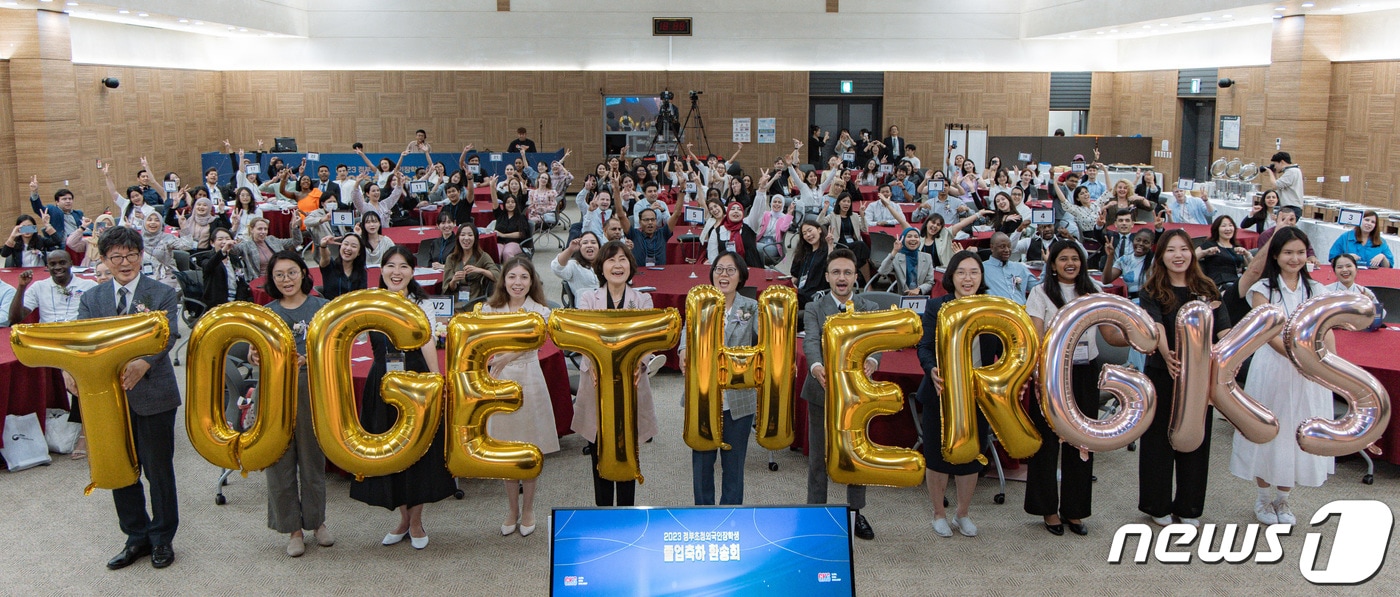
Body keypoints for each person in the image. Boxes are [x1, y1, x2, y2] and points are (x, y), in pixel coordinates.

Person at [77, 226, 181, 569]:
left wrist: (143, 362)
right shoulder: (92, 299)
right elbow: (84, 343)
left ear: (141, 256)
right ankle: (136, 536)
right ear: (104, 259)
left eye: (131, 255)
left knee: (158, 470)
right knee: (121, 469)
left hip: (153, 393)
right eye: (116, 256)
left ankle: (162, 538)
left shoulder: (161, 293)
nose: (125, 262)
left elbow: (167, 334)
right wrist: (71, 370)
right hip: (109, 399)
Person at [350, 247, 455, 549]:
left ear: (413, 271)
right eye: (390, 266)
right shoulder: (370, 301)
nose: (396, 272)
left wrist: (437, 381)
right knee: (390, 450)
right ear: (381, 269)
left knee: (421, 449)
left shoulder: (422, 303)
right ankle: (402, 518)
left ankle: (417, 520)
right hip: (381, 380)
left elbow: (427, 344)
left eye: (403, 267)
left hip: (416, 379)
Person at [1024, 240, 1128, 536]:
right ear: (1052, 264)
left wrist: (1138, 337)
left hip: (1085, 371)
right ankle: (1048, 509)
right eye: (1063, 259)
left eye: (1075, 258)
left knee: (1083, 441)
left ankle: (1075, 510)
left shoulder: (1094, 290)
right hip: (1052, 374)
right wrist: (1038, 377)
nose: (1070, 263)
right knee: (1046, 442)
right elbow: (1037, 337)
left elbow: (1108, 332)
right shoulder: (1040, 292)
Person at [1231, 226, 1334, 524]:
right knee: (1270, 428)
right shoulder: (1263, 289)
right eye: (1288, 252)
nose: (1295, 258)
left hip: (1309, 373)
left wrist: (1330, 367)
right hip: (1273, 369)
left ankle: (1284, 500)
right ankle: (1263, 499)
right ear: (1275, 254)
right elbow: (1266, 332)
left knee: (1297, 430)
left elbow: (1325, 332)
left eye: (1300, 252)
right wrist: (1297, 356)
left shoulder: (1317, 290)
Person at [1138, 229, 1229, 528]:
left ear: (1192, 252)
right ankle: (1157, 503)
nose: (1179, 255)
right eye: (1171, 250)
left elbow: (1223, 331)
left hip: (1200, 377)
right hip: (1165, 371)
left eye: (1184, 249)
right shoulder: (1151, 289)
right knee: (1158, 440)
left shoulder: (1207, 287)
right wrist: (1167, 356)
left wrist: (1227, 359)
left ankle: (1189, 507)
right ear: (1161, 256)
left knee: (1196, 440)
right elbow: (1155, 327)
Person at [249, 252, 333, 557]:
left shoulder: (321, 308)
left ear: (303, 273)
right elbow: (252, 350)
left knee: (312, 462)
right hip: (275, 397)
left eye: (292, 272)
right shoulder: (267, 312)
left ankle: (317, 522)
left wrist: (309, 359)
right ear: (272, 280)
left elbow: (335, 351)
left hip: (311, 393)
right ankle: (292, 529)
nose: (286, 280)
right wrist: (253, 355)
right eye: (279, 275)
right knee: (279, 463)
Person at [571, 242, 660, 507]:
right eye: (611, 260)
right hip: (596, 384)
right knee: (599, 449)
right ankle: (602, 511)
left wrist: (641, 363)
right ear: (601, 267)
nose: (617, 265)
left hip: (630, 386)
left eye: (622, 260)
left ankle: (626, 511)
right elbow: (582, 339)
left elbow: (648, 340)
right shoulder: (588, 299)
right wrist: (593, 365)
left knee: (627, 450)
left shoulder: (642, 300)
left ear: (630, 266)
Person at [916, 251, 997, 537]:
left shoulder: (992, 308)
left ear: (981, 277)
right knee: (937, 455)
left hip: (977, 394)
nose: (968, 278)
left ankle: (962, 513)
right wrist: (931, 369)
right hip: (941, 393)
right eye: (961, 272)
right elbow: (924, 346)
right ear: (951, 276)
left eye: (974, 272)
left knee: (972, 455)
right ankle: (938, 513)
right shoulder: (936, 307)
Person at [801, 248, 878, 541]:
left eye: (847, 272)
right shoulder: (815, 307)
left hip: (857, 396)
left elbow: (876, 344)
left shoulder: (868, 307)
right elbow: (810, 341)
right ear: (828, 276)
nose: (842, 278)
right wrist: (817, 366)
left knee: (856, 456)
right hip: (822, 393)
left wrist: (873, 360)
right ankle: (815, 514)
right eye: (836, 272)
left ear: (855, 277)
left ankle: (855, 513)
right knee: (818, 458)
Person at [482, 256, 558, 537]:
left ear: (532, 281)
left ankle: (528, 508)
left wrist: (508, 355)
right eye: (512, 277)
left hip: (529, 379)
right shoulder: (489, 310)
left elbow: (536, 341)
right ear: (504, 280)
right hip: (498, 382)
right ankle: (511, 508)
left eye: (523, 277)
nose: (517, 283)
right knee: (505, 448)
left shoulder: (540, 311)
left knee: (529, 448)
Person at [678, 252, 759, 506]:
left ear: (741, 276)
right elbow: (686, 331)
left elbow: (765, 342)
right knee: (702, 464)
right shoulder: (699, 302)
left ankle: (731, 517)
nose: (723, 275)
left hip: (738, 398)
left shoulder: (751, 307)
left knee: (733, 465)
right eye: (719, 269)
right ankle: (703, 515)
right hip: (702, 396)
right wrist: (682, 350)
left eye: (730, 270)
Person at [9, 250, 98, 457]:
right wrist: (21, 288)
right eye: (52, 264)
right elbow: (15, 318)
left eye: (62, 263)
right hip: (48, 345)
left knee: (81, 370)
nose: (57, 267)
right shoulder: (39, 287)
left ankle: (84, 434)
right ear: (46, 266)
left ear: (70, 263)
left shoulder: (89, 286)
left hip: (78, 343)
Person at [442, 223, 500, 309]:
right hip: (455, 303)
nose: (466, 238)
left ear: (475, 238)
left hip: (475, 302)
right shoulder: (451, 258)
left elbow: (498, 276)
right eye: (462, 235)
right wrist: (454, 280)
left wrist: (480, 270)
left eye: (470, 235)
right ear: (458, 238)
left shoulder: (482, 256)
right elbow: (447, 288)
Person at [199, 228, 253, 312]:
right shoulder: (207, 258)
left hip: (236, 302)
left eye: (228, 239)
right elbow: (209, 266)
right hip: (217, 305)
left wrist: (239, 303)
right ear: (212, 243)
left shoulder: (234, 259)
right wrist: (223, 251)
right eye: (220, 239)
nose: (224, 242)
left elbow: (241, 282)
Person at [233, 217, 303, 281]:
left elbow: (296, 241)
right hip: (259, 280)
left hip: (280, 277)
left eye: (265, 229)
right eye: (259, 229)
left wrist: (295, 228)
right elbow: (231, 250)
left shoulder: (272, 240)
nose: (263, 232)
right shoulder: (246, 245)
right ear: (251, 230)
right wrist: (234, 229)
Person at [876, 227, 936, 295]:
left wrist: (919, 290)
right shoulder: (897, 257)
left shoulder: (927, 257)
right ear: (903, 239)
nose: (913, 239)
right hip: (902, 296)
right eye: (909, 236)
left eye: (916, 237)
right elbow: (882, 271)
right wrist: (894, 251)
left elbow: (930, 282)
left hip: (921, 296)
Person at [1196, 215, 1251, 288]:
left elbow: (1253, 267)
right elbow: (1190, 258)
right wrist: (1205, 252)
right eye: (1224, 226)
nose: (1228, 229)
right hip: (1219, 283)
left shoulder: (1237, 247)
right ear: (1217, 229)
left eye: (1230, 225)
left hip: (1237, 282)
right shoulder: (1210, 244)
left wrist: (1247, 254)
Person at [982, 232, 1035, 304]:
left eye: (1009, 246)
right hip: (997, 312)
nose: (1007, 250)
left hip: (1021, 312)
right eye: (1002, 246)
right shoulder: (982, 268)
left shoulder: (1020, 267)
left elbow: (1038, 288)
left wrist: (1049, 265)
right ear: (992, 248)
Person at [1329, 210, 1393, 268]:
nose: (1369, 224)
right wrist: (1346, 258)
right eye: (1366, 220)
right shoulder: (1345, 237)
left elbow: (1388, 267)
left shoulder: (1381, 242)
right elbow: (1333, 260)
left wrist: (1383, 257)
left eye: (1373, 222)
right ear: (1359, 220)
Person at [707, 200, 763, 268]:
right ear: (727, 213)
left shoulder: (750, 226)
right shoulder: (717, 231)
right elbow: (712, 254)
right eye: (732, 209)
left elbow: (757, 212)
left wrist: (761, 192)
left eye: (739, 209)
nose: (736, 211)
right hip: (726, 269)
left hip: (750, 269)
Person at [1102, 229, 1155, 299]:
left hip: (1151, 300)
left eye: (1145, 242)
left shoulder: (1155, 260)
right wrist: (1110, 256)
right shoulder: (1124, 260)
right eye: (1138, 240)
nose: (1141, 244)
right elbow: (1106, 280)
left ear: (1151, 245)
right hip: (1132, 300)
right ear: (1133, 241)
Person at [789, 220, 830, 308]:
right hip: (800, 291)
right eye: (804, 233)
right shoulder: (803, 252)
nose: (808, 235)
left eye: (810, 230)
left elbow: (832, 267)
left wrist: (830, 246)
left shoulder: (827, 251)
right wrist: (790, 285)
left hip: (815, 294)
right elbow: (795, 275)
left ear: (819, 230)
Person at [28, 176, 84, 240]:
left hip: (78, 243)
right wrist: (34, 192)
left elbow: (89, 227)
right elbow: (38, 208)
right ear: (57, 202)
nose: (68, 201)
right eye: (64, 199)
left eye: (70, 199)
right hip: (61, 245)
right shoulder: (52, 211)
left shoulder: (78, 213)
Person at [317, 233, 367, 301]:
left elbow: (362, 296)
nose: (348, 248)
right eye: (346, 244)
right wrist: (323, 245)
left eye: (354, 246)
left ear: (359, 252)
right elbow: (325, 257)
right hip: (331, 308)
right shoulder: (329, 266)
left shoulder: (362, 272)